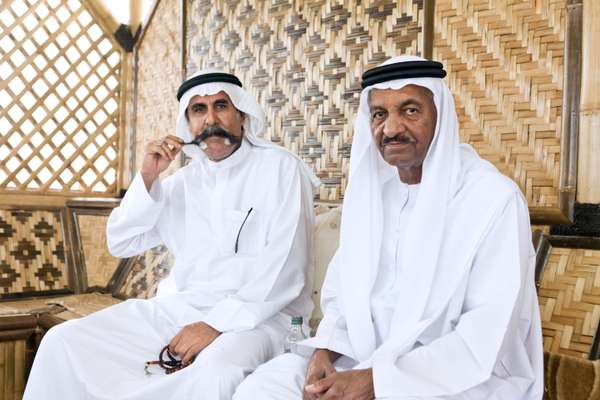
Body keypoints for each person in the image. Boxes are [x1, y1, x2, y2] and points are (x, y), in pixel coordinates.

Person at [233, 55, 543, 399]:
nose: (391, 128)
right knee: (261, 388)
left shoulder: (491, 199)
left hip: (455, 378)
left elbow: (486, 335)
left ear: (440, 116)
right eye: (380, 114)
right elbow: (341, 296)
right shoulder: (371, 197)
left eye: (410, 111)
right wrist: (326, 350)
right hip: (363, 360)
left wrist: (379, 383)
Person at [23, 70, 319, 400]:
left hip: (263, 319)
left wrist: (215, 325)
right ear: (187, 123)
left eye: (221, 106)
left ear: (241, 114)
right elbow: (122, 241)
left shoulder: (281, 168)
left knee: (213, 373)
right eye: (199, 110)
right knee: (63, 341)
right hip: (181, 308)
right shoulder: (182, 183)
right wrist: (148, 176)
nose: (211, 119)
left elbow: (286, 268)